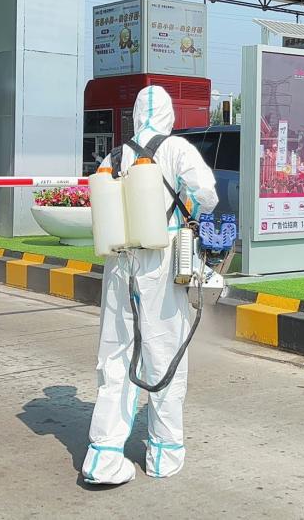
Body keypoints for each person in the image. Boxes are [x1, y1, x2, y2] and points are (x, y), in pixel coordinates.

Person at [82, 85, 218, 485]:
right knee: (165, 355)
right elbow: (207, 194)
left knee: (115, 356)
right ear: (168, 115)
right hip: (161, 261)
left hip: (119, 263)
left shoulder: (114, 155)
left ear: (137, 115)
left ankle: (103, 457)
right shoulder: (176, 148)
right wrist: (189, 208)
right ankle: (163, 455)